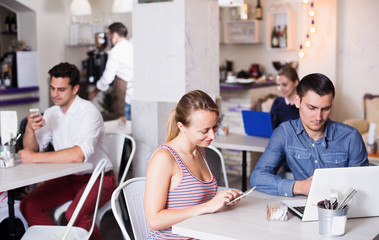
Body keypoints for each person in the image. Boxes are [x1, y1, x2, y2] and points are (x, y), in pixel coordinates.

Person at [19, 62, 116, 240]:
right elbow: (32, 148)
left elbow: (78, 155)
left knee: (75, 214)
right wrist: (29, 130)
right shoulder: (51, 113)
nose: (55, 94)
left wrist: (34, 157)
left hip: (99, 178)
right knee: (28, 204)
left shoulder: (89, 113)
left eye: (61, 89)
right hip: (67, 178)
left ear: (75, 89)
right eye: (52, 88)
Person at [250, 73, 368, 197]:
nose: (318, 117)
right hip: (302, 206)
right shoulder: (285, 133)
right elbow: (257, 178)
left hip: (341, 210)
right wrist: (300, 187)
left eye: (325, 109)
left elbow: (362, 188)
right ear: (297, 101)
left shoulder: (351, 137)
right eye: (312, 108)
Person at [144, 90, 242, 239]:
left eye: (215, 127)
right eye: (204, 131)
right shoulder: (164, 158)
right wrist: (207, 207)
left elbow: (196, 204)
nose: (213, 136)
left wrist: (222, 201)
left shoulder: (200, 151)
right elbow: (154, 220)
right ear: (181, 126)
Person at [89, 22, 133, 121]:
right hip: (134, 97)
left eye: (109, 36)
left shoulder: (115, 51)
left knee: (123, 128)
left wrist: (95, 91)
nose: (109, 40)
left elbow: (107, 78)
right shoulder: (132, 47)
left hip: (124, 97)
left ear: (114, 35)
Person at [270, 64, 300, 129]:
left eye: (285, 85)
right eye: (278, 85)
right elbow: (270, 126)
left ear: (296, 82)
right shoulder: (277, 101)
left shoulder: (303, 105)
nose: (280, 89)